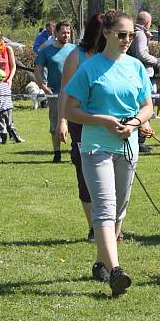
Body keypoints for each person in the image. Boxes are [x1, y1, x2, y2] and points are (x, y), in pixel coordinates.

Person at [62, 10, 153, 296]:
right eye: (121, 34)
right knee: (104, 206)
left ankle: (102, 261)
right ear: (106, 34)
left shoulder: (136, 67)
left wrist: (136, 123)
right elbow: (69, 109)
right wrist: (104, 120)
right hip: (96, 146)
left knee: (119, 208)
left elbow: (147, 105)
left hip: (128, 145)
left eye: (130, 35)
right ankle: (115, 270)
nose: (127, 40)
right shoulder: (89, 67)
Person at [58, 14, 103, 242]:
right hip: (80, 122)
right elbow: (64, 92)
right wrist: (62, 121)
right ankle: (93, 227)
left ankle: (108, 226)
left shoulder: (111, 57)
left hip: (106, 123)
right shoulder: (76, 56)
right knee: (84, 175)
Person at [35, 21, 76, 163]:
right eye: (64, 32)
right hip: (55, 94)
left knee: (75, 123)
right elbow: (38, 70)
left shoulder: (75, 50)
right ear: (56, 33)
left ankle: (75, 150)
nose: (66, 35)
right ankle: (57, 153)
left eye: (68, 33)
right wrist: (43, 86)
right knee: (55, 123)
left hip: (74, 94)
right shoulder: (46, 51)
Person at [127, 11, 160, 154]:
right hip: (142, 74)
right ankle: (140, 140)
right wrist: (157, 61)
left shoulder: (137, 33)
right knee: (144, 106)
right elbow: (141, 54)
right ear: (147, 23)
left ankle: (140, 139)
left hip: (139, 74)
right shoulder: (139, 34)